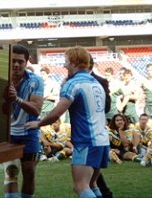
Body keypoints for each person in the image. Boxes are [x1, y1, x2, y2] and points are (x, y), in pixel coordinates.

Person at [26, 46, 110, 198]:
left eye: (66, 62)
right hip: (102, 140)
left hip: (86, 141)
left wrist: (38, 124)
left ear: (74, 62)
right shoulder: (96, 83)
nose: (64, 65)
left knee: (80, 186)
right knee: (92, 184)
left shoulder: (73, 84)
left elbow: (58, 112)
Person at [2, 44, 44, 198]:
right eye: (13, 61)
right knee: (11, 170)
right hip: (9, 133)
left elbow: (36, 109)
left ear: (27, 63)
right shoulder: (1, 79)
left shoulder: (36, 81)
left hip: (29, 132)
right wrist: (7, 100)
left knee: (29, 172)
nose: (16, 65)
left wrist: (17, 99)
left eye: (20, 61)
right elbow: (3, 112)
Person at [89, 56, 113, 198]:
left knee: (84, 178)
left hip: (94, 130)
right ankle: (104, 193)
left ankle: (105, 193)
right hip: (82, 130)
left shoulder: (101, 81)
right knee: (90, 172)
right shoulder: (71, 79)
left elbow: (107, 106)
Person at [141, 63, 152, 128]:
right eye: (148, 70)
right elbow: (140, 93)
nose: (149, 72)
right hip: (148, 107)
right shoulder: (144, 81)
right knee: (149, 125)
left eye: (151, 70)